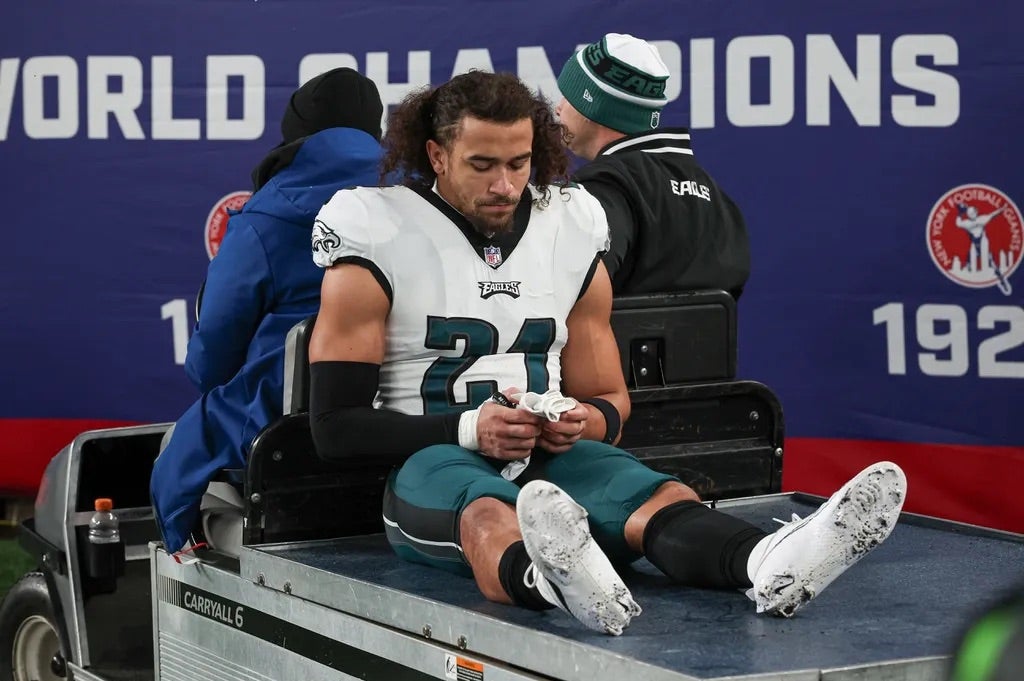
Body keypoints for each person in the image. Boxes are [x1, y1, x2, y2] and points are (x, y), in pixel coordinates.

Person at [307, 70, 907, 636]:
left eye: (518, 164)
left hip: (546, 459)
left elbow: (610, 402)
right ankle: (551, 580)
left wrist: (581, 419)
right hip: (432, 463)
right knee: (491, 514)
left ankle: (768, 561)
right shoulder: (376, 231)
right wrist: (469, 428)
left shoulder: (567, 225)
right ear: (436, 156)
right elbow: (334, 430)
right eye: (482, 164)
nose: (505, 185)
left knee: (657, 494)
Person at [151, 67, 385, 556]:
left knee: (178, 453)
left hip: (281, 436)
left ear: (296, 135)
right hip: (403, 424)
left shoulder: (265, 219)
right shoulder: (426, 199)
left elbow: (211, 362)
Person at [555, 33, 750, 299]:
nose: (558, 107)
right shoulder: (712, 192)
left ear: (593, 104)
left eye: (568, 96)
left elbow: (578, 292)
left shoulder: (603, 187)